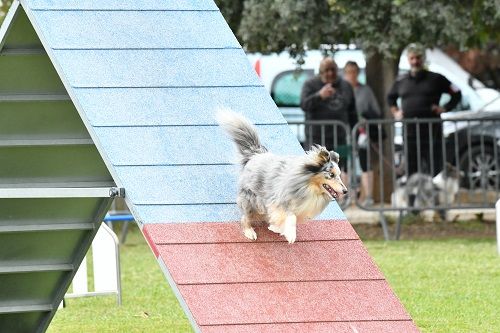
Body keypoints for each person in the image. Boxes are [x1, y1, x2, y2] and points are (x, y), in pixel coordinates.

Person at [387, 43, 461, 177]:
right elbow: (390, 98)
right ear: (408, 60)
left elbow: (457, 93)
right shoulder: (401, 81)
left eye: (418, 57)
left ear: (424, 58)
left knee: (434, 165)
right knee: (411, 167)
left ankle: (434, 197)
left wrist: (444, 108)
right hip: (410, 131)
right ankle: (413, 197)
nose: (415, 61)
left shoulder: (436, 78)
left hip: (432, 131)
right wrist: (396, 111)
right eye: (412, 58)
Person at [300, 57, 357, 176]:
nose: (330, 73)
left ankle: (338, 195)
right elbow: (304, 104)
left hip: (340, 138)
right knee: (316, 173)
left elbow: (352, 112)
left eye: (333, 70)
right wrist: (319, 96)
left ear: (337, 70)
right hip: (316, 139)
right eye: (326, 70)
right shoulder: (310, 84)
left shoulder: (345, 86)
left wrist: (354, 134)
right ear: (320, 72)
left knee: (339, 172)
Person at [343, 60, 383, 206]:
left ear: (358, 73)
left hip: (362, 133)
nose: (351, 75)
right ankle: (343, 198)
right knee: (343, 164)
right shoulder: (341, 90)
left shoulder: (365, 91)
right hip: (343, 131)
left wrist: (365, 119)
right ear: (345, 73)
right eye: (349, 72)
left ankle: (368, 197)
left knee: (365, 163)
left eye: (354, 72)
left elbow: (376, 111)